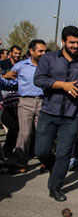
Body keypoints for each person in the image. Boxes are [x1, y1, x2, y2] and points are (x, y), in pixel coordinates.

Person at [34, 26, 78, 202]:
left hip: (73, 114)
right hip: (49, 111)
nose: (75, 46)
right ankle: (55, 168)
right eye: (72, 42)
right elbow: (38, 79)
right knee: (41, 151)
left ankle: (55, 187)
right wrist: (63, 85)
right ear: (63, 42)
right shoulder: (49, 58)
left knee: (64, 153)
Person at [11, 39, 47, 168]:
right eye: (40, 51)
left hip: (43, 102)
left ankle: (45, 160)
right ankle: (21, 161)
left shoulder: (47, 66)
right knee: (25, 133)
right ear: (31, 51)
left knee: (43, 132)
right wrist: (4, 77)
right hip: (25, 102)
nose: (43, 53)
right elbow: (12, 82)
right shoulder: (20, 66)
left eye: (45, 51)